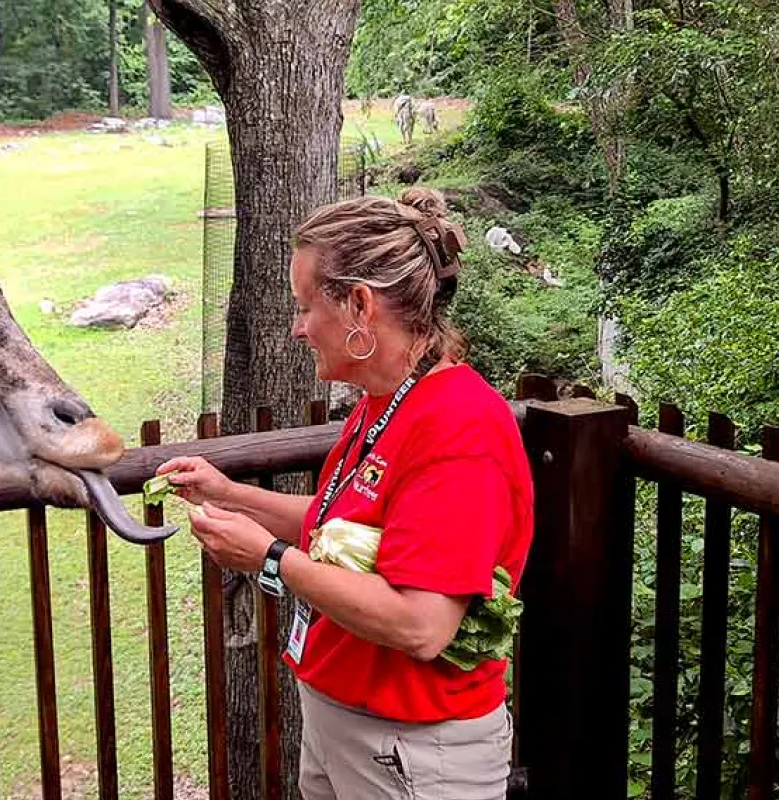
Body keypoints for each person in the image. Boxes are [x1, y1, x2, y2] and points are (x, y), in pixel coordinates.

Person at [156, 187, 534, 800]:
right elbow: (344, 523)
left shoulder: (460, 427)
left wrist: (269, 560)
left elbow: (422, 624)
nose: (297, 328)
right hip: (347, 724)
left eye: (306, 306)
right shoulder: (388, 401)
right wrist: (230, 495)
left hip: (412, 748)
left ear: (360, 304)